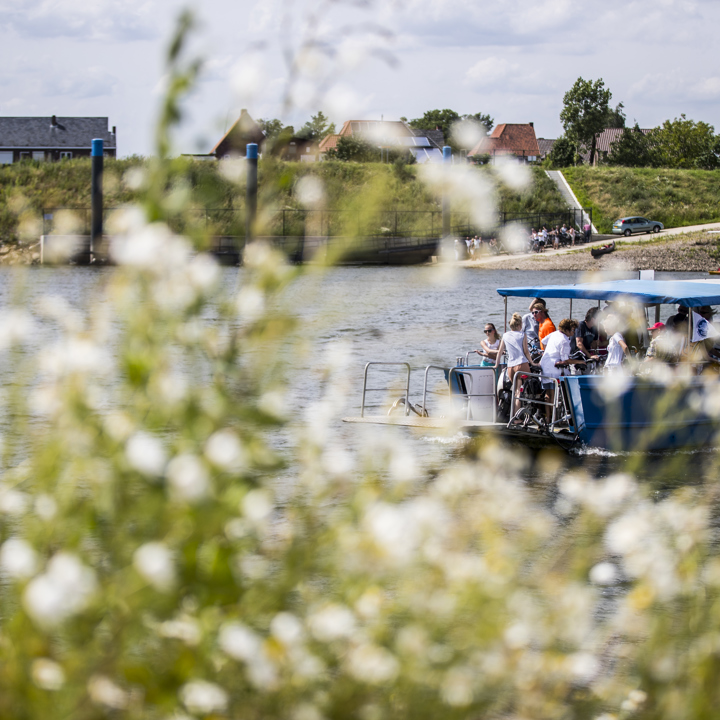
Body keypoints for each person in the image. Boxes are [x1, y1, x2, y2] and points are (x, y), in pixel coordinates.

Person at [539, 319, 586, 422]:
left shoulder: (554, 334)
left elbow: (543, 341)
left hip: (545, 363)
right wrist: (580, 362)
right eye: (573, 330)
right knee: (553, 394)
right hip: (554, 367)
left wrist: (548, 352)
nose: (574, 333)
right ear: (567, 330)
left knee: (548, 393)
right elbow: (566, 360)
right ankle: (554, 419)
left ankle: (548, 418)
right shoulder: (564, 341)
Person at [495, 313, 532, 417]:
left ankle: (513, 415)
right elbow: (526, 352)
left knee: (515, 391)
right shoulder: (522, 334)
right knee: (523, 391)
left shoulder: (505, 335)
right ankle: (517, 417)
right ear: (520, 324)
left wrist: (496, 365)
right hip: (522, 364)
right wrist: (533, 362)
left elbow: (500, 351)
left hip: (510, 366)